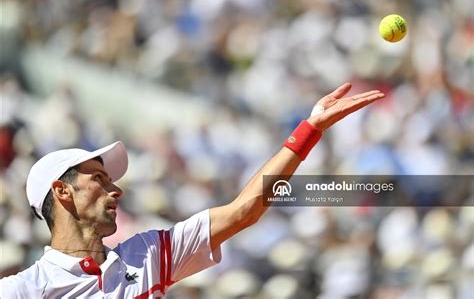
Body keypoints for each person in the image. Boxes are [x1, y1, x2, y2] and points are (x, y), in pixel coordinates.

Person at [0, 83, 384, 298]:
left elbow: (244, 210)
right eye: (98, 179)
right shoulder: (23, 290)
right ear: (62, 192)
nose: (114, 190)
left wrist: (309, 131)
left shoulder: (144, 252)